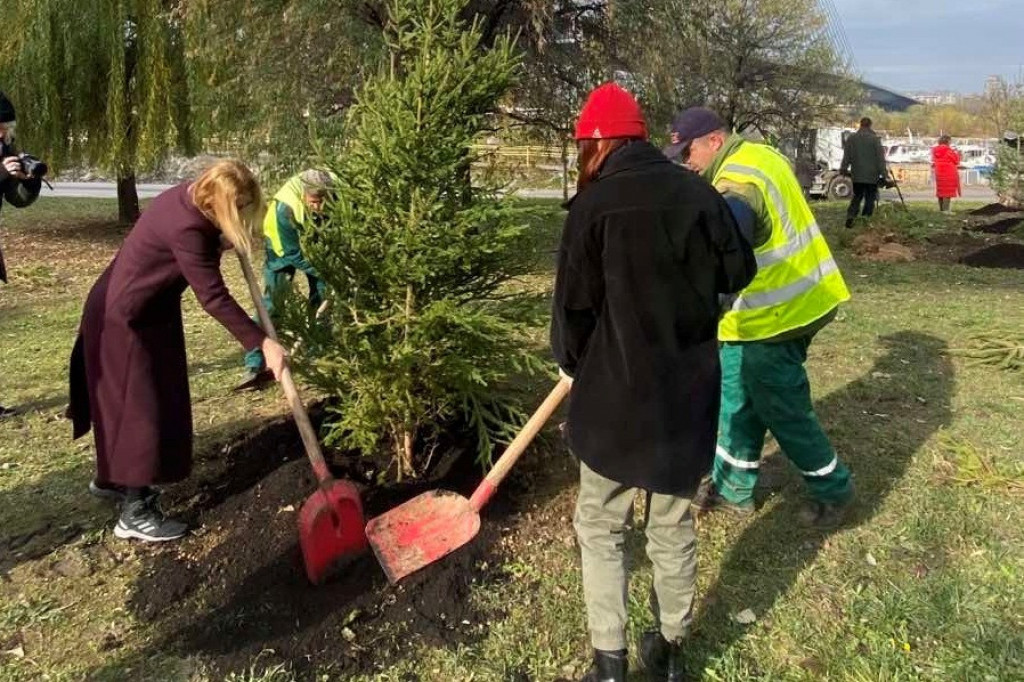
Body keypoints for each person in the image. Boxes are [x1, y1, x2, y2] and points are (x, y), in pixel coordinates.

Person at [552, 84, 756, 682]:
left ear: (598, 145)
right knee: (671, 524)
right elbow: (739, 266)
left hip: (612, 401)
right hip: (684, 395)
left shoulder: (591, 209)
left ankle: (609, 662)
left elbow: (573, 311)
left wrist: (570, 361)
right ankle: (668, 650)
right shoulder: (698, 193)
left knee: (601, 525)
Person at [67, 160, 288, 542]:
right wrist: (262, 342)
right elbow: (213, 297)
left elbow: (199, 246)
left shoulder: (187, 197)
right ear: (221, 204)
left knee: (137, 400)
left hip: (141, 309)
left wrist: (220, 237)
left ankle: (112, 479)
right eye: (240, 209)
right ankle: (134, 512)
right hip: (125, 319)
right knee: (141, 409)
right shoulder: (187, 228)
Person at [664, 107, 855, 528]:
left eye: (689, 151)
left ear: (715, 140)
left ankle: (834, 489)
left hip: (778, 315)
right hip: (771, 312)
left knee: (780, 405)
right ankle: (733, 488)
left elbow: (735, 226)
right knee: (737, 399)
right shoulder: (760, 155)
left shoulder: (737, 181)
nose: (686, 162)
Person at [236, 169, 333, 390]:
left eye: (323, 201)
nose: (319, 207)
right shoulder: (284, 209)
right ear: (303, 195)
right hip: (281, 250)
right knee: (273, 304)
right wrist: (325, 270)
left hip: (314, 240)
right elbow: (293, 254)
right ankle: (254, 363)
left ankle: (315, 353)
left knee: (322, 294)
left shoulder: (334, 192)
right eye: (314, 202)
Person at [0, 91, 43, 418]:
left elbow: (18, 200)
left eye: (7, 127)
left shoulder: (5, 152)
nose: (4, 134)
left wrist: (29, 181)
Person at [840, 117, 888, 228]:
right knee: (870, 199)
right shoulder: (875, 139)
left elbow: (846, 156)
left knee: (857, 197)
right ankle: (865, 219)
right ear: (870, 125)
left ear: (860, 125)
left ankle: (851, 217)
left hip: (857, 175)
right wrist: (884, 175)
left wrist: (843, 169)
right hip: (872, 176)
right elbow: (880, 159)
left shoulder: (852, 139)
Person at [932, 135, 961, 212]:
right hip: (949, 173)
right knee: (947, 192)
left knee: (941, 191)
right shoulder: (949, 150)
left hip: (939, 172)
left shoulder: (935, 150)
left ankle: (941, 209)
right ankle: (946, 210)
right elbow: (956, 160)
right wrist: (957, 153)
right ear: (948, 141)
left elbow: (934, 160)